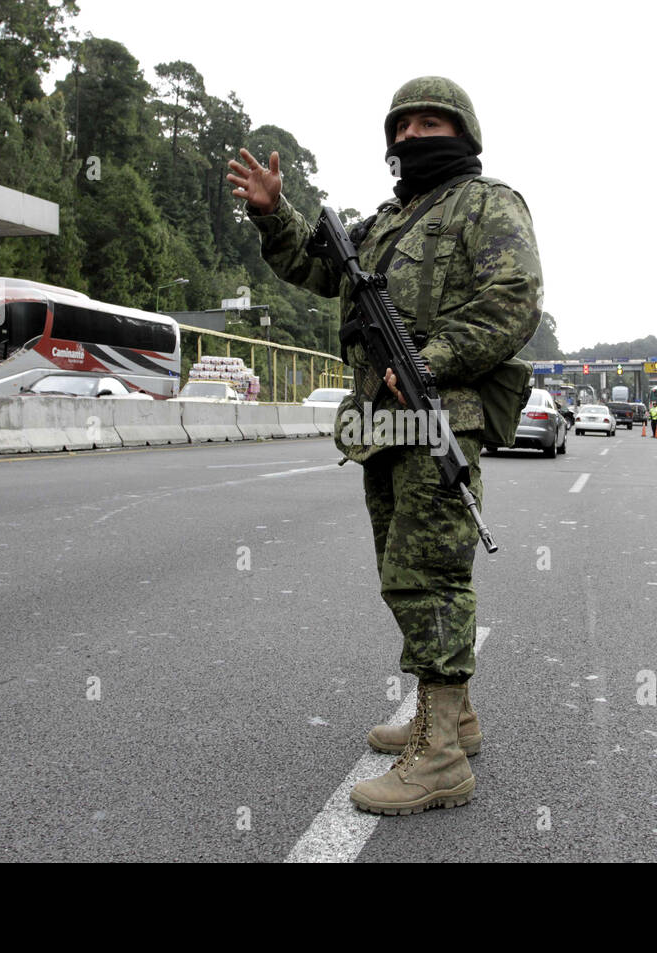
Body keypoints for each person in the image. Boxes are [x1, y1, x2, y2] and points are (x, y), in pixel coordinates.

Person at [228, 76, 541, 815]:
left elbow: (515, 296)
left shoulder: (489, 202)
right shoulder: (389, 220)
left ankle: (439, 762)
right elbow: (317, 263)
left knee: (426, 575)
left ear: (463, 131)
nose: (411, 137)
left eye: (429, 123)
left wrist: (427, 361)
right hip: (382, 424)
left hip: (440, 416)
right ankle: (452, 717)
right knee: (399, 567)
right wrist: (275, 214)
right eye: (400, 127)